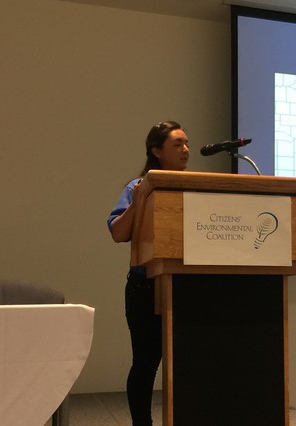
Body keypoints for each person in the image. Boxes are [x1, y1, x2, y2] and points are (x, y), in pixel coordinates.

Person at [106, 120, 190, 425]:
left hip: (187, 285)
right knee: (146, 363)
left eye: (186, 143)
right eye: (177, 144)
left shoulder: (193, 186)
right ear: (157, 151)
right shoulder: (137, 187)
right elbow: (118, 233)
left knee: (187, 363)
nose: (186, 150)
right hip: (146, 285)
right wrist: (140, 198)